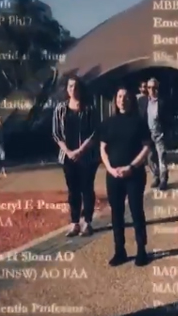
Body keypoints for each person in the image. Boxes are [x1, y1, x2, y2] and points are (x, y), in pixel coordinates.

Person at [100, 86, 152, 266]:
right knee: (117, 214)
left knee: (137, 211)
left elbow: (146, 147)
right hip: (113, 175)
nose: (122, 99)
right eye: (119, 96)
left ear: (131, 100)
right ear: (116, 100)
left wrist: (131, 166)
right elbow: (103, 148)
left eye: (125, 96)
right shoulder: (109, 122)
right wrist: (109, 168)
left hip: (134, 174)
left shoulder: (139, 121)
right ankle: (119, 251)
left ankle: (141, 250)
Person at [52, 75, 100, 237]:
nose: (74, 90)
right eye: (71, 86)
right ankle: (74, 223)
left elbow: (95, 133)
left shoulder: (90, 109)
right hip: (68, 157)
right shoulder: (60, 109)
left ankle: (87, 221)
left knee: (87, 189)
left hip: (87, 156)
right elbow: (57, 134)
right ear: (67, 89)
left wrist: (80, 151)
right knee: (73, 190)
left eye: (76, 86)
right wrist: (69, 152)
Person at [138, 78, 170, 190]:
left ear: (158, 88)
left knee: (162, 157)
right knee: (150, 158)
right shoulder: (142, 102)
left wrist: (166, 132)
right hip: (148, 135)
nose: (152, 90)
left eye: (154, 87)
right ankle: (155, 177)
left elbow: (167, 119)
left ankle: (163, 180)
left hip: (160, 134)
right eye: (149, 87)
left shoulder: (162, 102)